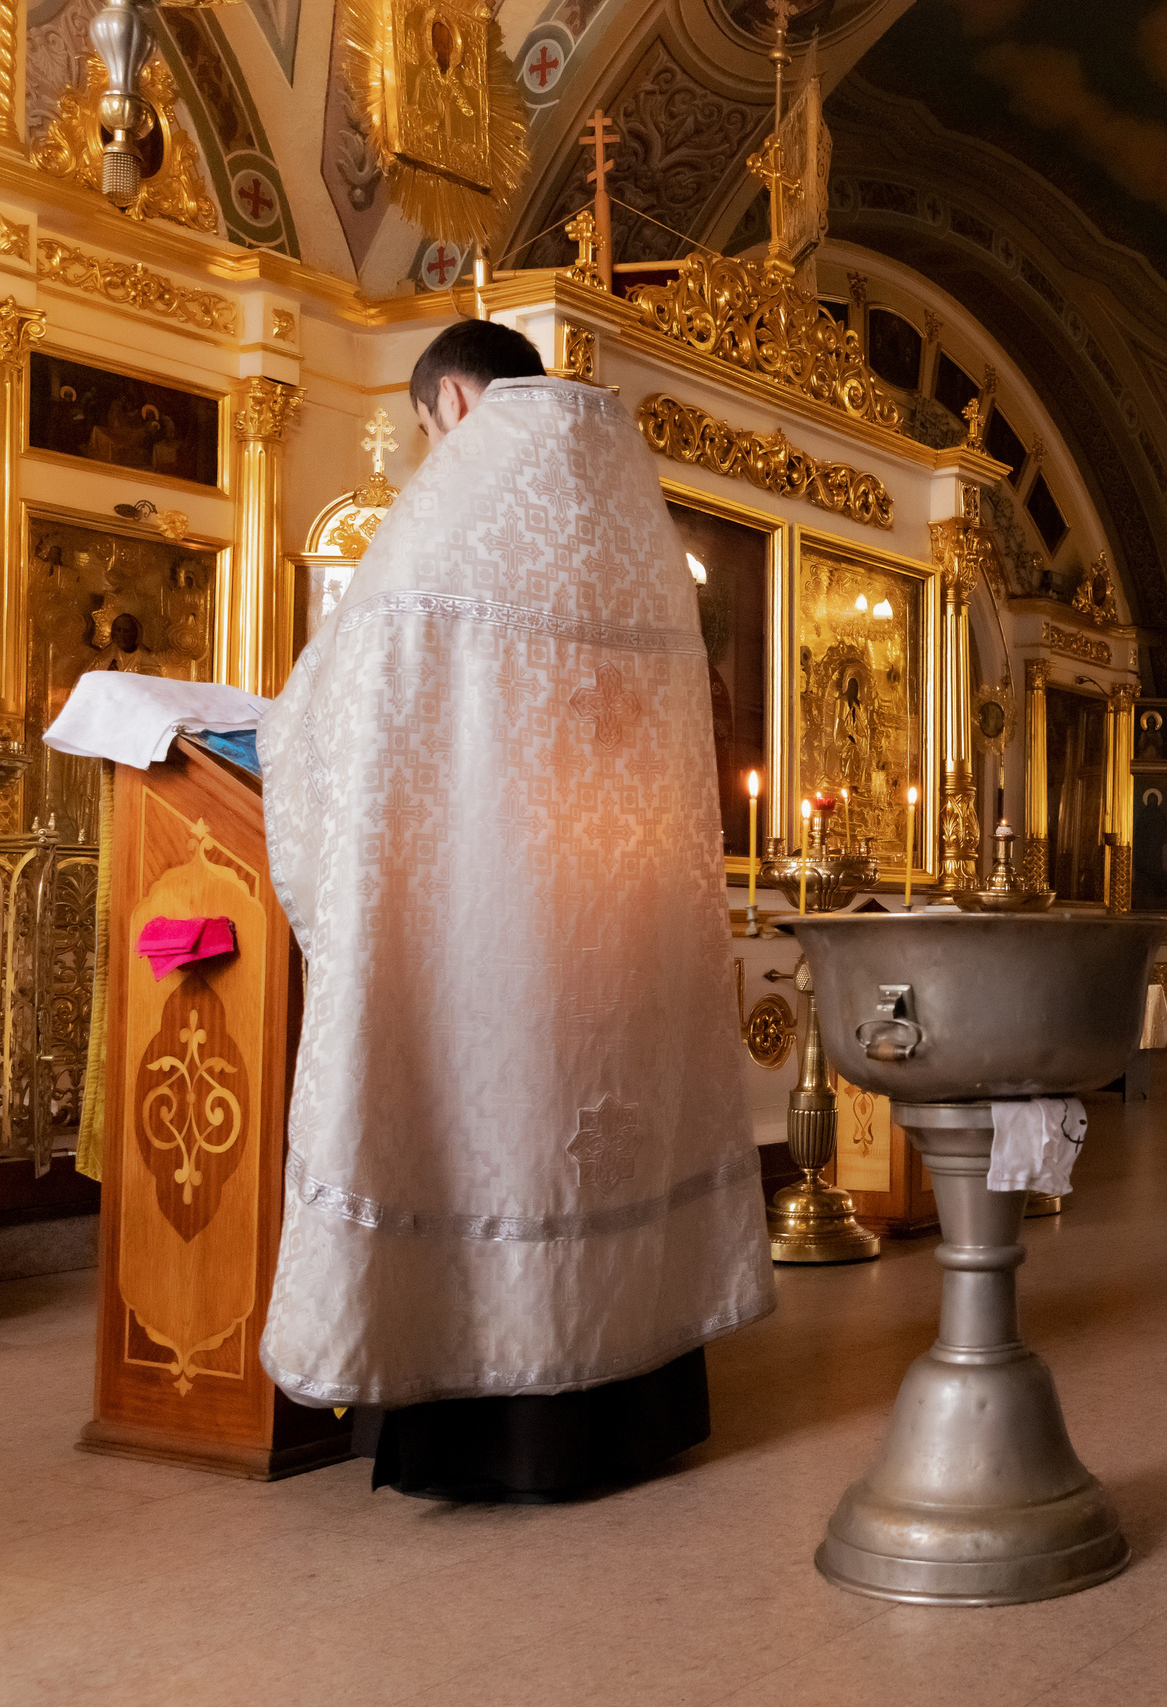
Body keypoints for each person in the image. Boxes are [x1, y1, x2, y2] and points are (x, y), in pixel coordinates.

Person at [258, 320, 775, 1500]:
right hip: (614, 910)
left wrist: (279, 733)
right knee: (602, 1132)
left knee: (502, 1142)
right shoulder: (624, 504)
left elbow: (349, 706)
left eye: (421, 425)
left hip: (488, 916)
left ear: (449, 401)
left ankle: (489, 1430)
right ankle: (632, 1409)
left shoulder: (457, 506)